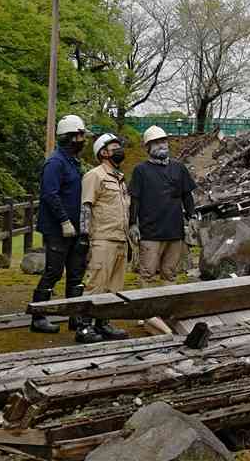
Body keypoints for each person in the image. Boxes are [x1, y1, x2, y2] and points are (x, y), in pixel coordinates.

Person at [31, 114, 101, 343]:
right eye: (80, 136)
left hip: (75, 228)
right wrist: (63, 221)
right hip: (57, 228)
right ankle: (38, 316)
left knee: (76, 272)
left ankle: (75, 316)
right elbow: (50, 194)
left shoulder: (72, 161)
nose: (83, 140)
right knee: (53, 271)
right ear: (69, 137)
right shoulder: (55, 162)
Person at [129, 126, 198, 286]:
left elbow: (187, 195)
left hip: (175, 232)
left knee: (170, 274)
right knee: (147, 274)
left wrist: (192, 216)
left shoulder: (178, 168)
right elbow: (135, 199)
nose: (161, 145)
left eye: (163, 141)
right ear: (148, 147)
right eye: (156, 143)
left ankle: (167, 309)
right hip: (150, 233)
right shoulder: (141, 170)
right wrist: (132, 223)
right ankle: (147, 309)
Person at [79, 133, 130, 341]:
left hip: (120, 239)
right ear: (103, 152)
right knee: (95, 284)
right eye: (114, 146)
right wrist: (84, 236)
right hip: (102, 239)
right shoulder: (95, 175)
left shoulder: (120, 178)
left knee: (113, 287)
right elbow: (86, 206)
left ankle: (103, 323)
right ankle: (84, 327)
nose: (119, 149)